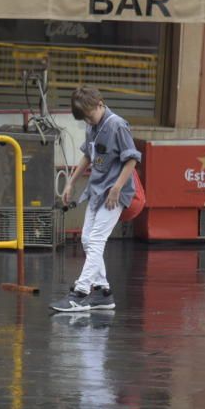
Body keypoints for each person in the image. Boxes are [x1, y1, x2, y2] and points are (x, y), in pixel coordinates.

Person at [50, 86, 141, 312]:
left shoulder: (117, 125)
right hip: (97, 189)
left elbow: (132, 159)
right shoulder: (94, 126)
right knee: (87, 239)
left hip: (114, 192)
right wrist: (71, 182)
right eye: (85, 120)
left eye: (90, 116)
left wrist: (117, 188)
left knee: (97, 239)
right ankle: (102, 292)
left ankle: (80, 293)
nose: (88, 122)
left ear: (100, 104)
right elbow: (88, 155)